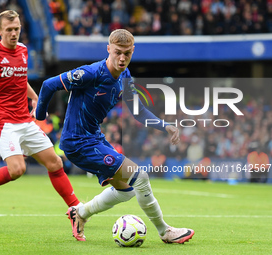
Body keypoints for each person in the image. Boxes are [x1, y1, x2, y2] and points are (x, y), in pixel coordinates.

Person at [36, 29, 195, 243]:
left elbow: (137, 111)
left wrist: (164, 125)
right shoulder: (91, 73)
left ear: (133, 51)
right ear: (108, 49)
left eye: (127, 53)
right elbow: (48, 85)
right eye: (118, 52)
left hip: (94, 138)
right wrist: (40, 115)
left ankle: (80, 214)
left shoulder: (125, 76)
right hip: (77, 143)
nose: (122, 58)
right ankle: (165, 231)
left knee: (127, 190)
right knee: (140, 177)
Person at [0, 10, 80, 217]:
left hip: (25, 119)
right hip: (4, 122)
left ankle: (77, 209)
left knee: (55, 162)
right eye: (9, 30)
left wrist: (34, 98)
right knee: (17, 170)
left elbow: (20, 79)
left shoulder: (23, 50)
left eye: (17, 29)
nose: (14, 33)